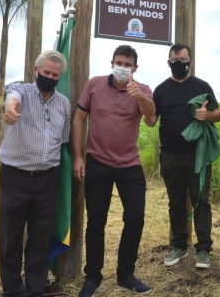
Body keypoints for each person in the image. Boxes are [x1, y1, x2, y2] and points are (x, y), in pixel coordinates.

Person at [73, 45, 155, 296]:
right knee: (96, 221)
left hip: (130, 164)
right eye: (119, 63)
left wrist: (139, 97)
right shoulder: (95, 84)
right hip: (97, 162)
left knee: (136, 217)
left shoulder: (143, 89)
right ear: (111, 63)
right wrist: (79, 156)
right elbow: (79, 119)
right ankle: (93, 276)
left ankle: (125, 274)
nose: (122, 68)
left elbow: (151, 119)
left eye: (127, 65)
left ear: (135, 68)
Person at [0, 50, 71, 297]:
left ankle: (35, 290)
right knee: (10, 236)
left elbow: (63, 140)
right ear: (36, 69)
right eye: (46, 72)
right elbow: (12, 99)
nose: (50, 77)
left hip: (47, 178)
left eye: (55, 75)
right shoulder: (21, 91)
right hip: (15, 176)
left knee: (40, 237)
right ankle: (12, 290)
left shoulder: (63, 104)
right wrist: (10, 110)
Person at [144, 43, 220, 269]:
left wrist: (206, 114)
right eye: (175, 60)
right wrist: (144, 111)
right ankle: (179, 246)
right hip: (170, 155)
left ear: (191, 61)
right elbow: (152, 120)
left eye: (183, 60)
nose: (179, 63)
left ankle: (204, 249)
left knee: (201, 202)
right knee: (176, 202)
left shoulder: (201, 86)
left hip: (198, 155)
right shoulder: (161, 90)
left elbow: (217, 115)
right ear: (169, 62)